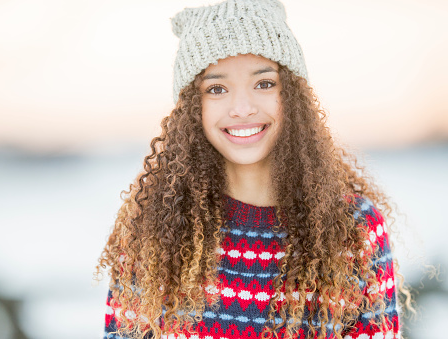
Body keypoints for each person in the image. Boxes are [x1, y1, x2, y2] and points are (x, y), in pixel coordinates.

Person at [94, 0, 412, 338]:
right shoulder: (153, 231)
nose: (242, 109)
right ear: (192, 108)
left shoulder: (355, 228)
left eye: (264, 83)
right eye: (216, 89)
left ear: (292, 95)